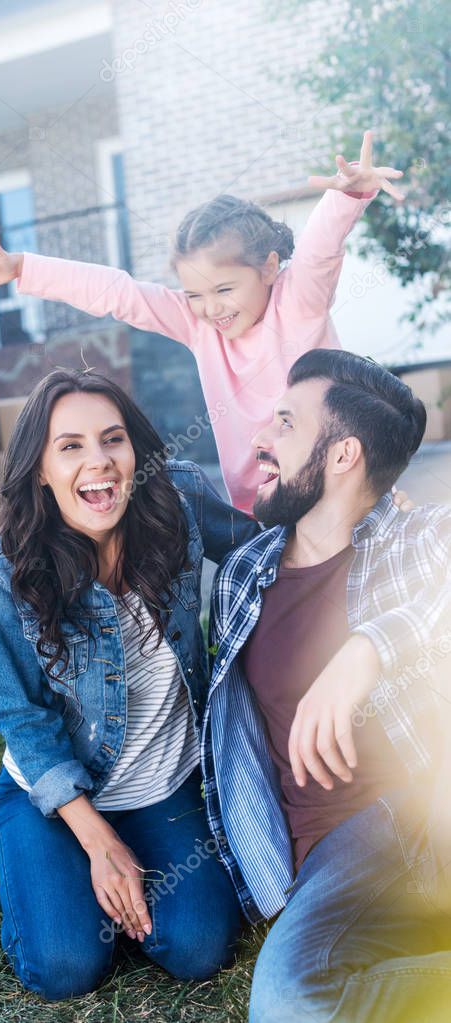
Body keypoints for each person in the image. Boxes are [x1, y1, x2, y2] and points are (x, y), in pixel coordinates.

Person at [0, 368, 259, 1000]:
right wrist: (98, 841)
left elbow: (263, 552)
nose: (98, 463)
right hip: (58, 790)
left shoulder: (176, 502)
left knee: (198, 947)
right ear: (40, 470)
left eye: (114, 439)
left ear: (138, 453)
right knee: (65, 968)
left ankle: (79, 882)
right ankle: (17, 859)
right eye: (69, 446)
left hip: (161, 781)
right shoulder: (6, 570)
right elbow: (21, 715)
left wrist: (365, 519)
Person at [0, 131, 405, 514]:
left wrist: (349, 194)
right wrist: (23, 267)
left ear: (267, 267)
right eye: (195, 294)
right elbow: (117, 293)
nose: (211, 308)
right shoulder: (197, 324)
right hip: (259, 506)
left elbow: (320, 247)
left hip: (336, 486)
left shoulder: (299, 300)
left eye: (224, 290)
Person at [202, 348, 451, 1021]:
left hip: (412, 817)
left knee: (288, 1002)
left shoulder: (414, 542)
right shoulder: (243, 574)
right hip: (322, 857)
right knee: (295, 995)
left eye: (283, 423)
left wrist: (369, 647)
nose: (258, 438)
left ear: (342, 455)